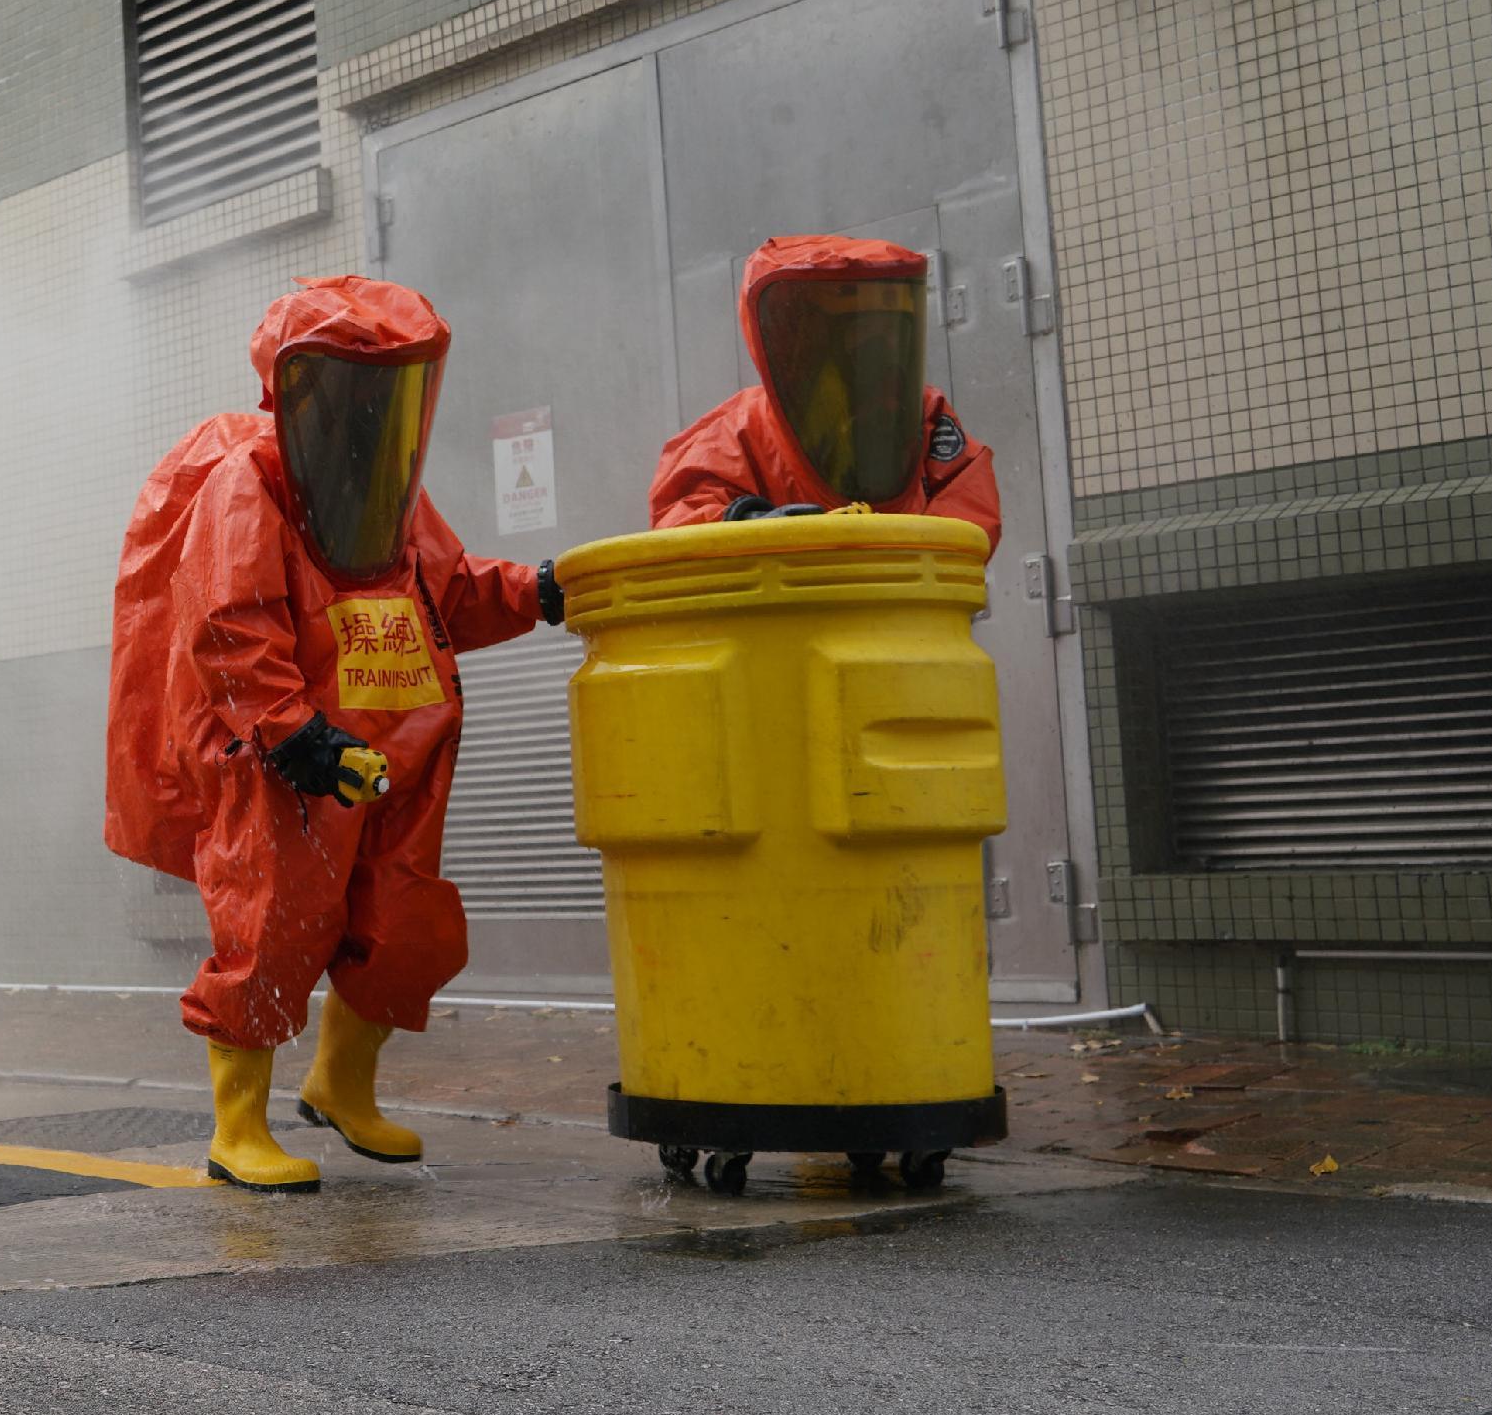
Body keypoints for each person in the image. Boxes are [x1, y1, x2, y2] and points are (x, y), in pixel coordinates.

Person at [105, 279, 561, 1194]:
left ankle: (341, 1083)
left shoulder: (388, 496)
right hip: (281, 758)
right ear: (297, 389)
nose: (370, 411)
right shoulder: (250, 485)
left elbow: (452, 588)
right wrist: (297, 737)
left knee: (402, 925)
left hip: (390, 754)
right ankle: (239, 1128)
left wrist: (541, 590)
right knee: (270, 925)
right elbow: (229, 624)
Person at [648, 235, 1001, 547]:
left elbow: (968, 506)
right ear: (814, 337)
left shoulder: (923, 412)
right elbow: (681, 519)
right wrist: (749, 525)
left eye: (890, 330)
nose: (881, 347)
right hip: (786, 608)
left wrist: (899, 554)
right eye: (862, 329)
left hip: (903, 607)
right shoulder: (740, 429)